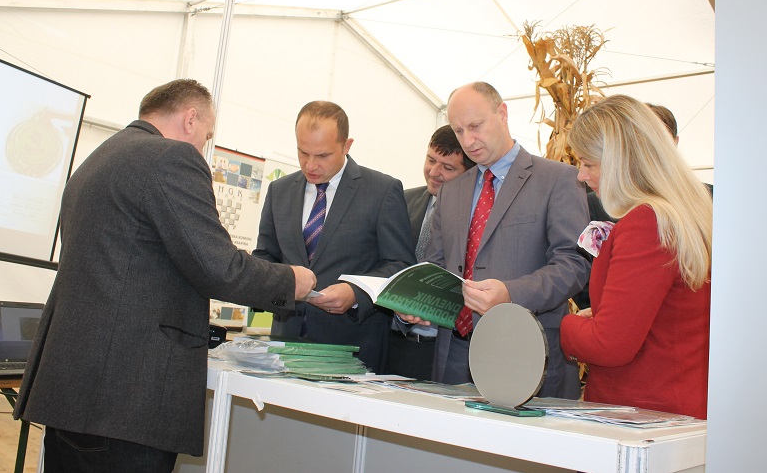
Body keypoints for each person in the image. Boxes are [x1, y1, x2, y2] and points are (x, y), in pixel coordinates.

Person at [12, 79, 316, 473]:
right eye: (207, 136)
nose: (203, 147)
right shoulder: (171, 158)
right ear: (190, 119)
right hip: (125, 398)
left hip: (72, 391)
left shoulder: (98, 158)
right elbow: (217, 266)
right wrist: (291, 281)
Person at [409, 82, 590, 398]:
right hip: (453, 354)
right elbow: (435, 268)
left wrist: (511, 293)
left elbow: (573, 265)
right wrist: (416, 304)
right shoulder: (451, 191)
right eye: (459, 130)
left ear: (502, 113)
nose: (468, 140)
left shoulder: (557, 179)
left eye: (475, 126)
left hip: (525, 353)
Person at [560, 94, 712, 419]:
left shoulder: (646, 221)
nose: (581, 175)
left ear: (621, 161)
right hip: (676, 404)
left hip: (639, 412)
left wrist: (569, 326)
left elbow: (609, 345)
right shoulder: (687, 213)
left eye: (588, 164)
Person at [252, 101, 415, 373]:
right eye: (303, 152)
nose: (310, 164)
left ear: (346, 145)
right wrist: (280, 285)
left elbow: (400, 266)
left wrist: (356, 293)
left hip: (353, 353)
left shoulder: (382, 191)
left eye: (323, 155)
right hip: (285, 346)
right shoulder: (279, 191)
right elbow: (265, 257)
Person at [388, 125, 475, 380]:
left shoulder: (477, 217)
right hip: (396, 342)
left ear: (469, 174)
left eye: (448, 167)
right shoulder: (402, 200)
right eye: (430, 160)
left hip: (446, 349)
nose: (434, 172)